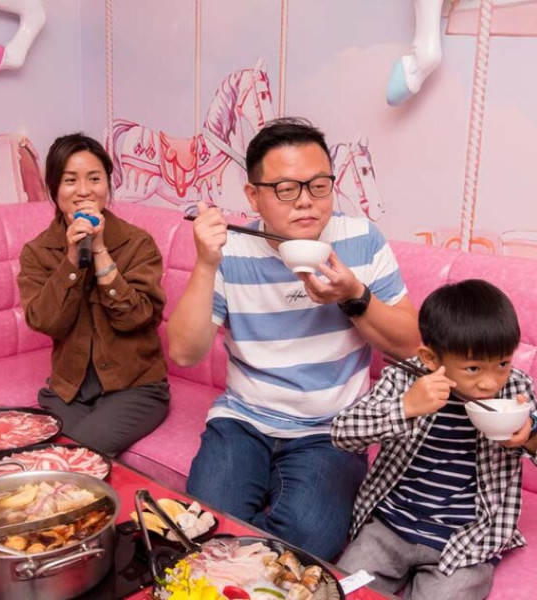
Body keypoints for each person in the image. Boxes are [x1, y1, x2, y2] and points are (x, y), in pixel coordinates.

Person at [167, 117, 420, 560]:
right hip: (243, 419)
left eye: (319, 186)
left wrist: (354, 296)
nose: (306, 202)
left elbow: (412, 346)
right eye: (286, 189)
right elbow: (184, 353)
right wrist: (206, 263)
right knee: (203, 527)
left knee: (309, 542)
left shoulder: (361, 239)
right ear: (253, 196)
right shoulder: (232, 248)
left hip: (333, 429)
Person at [333, 279, 537, 600]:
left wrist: (528, 437)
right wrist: (406, 407)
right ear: (430, 358)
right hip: (390, 527)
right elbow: (342, 433)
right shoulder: (405, 378)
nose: (490, 382)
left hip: (468, 542)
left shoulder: (515, 388)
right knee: (344, 591)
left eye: (502, 363)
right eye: (473, 368)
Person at [18, 133, 169, 457]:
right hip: (67, 392)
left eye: (95, 179)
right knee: (38, 451)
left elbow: (136, 318)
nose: (84, 190)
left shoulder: (137, 243)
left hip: (135, 388)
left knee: (72, 457)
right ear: (54, 188)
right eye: (70, 180)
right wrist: (72, 260)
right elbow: (45, 322)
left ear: (108, 185)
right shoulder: (37, 252)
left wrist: (99, 251)